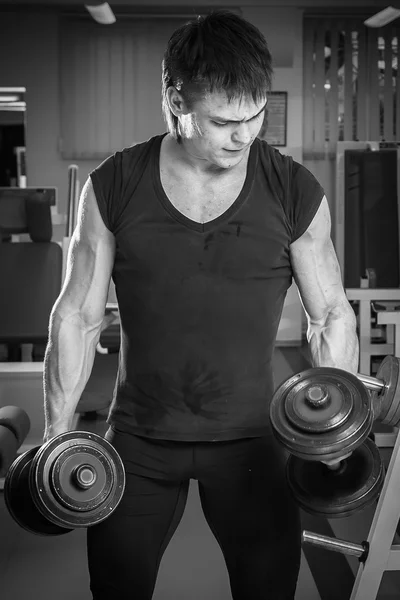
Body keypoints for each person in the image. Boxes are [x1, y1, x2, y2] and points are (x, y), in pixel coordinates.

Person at [43, 9, 359, 600]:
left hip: (254, 441)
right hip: (137, 441)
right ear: (176, 101)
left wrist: (334, 430)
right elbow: (78, 314)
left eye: (255, 116)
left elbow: (331, 315)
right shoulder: (113, 185)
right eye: (223, 122)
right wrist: (60, 434)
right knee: (115, 590)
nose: (245, 136)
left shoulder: (294, 190)